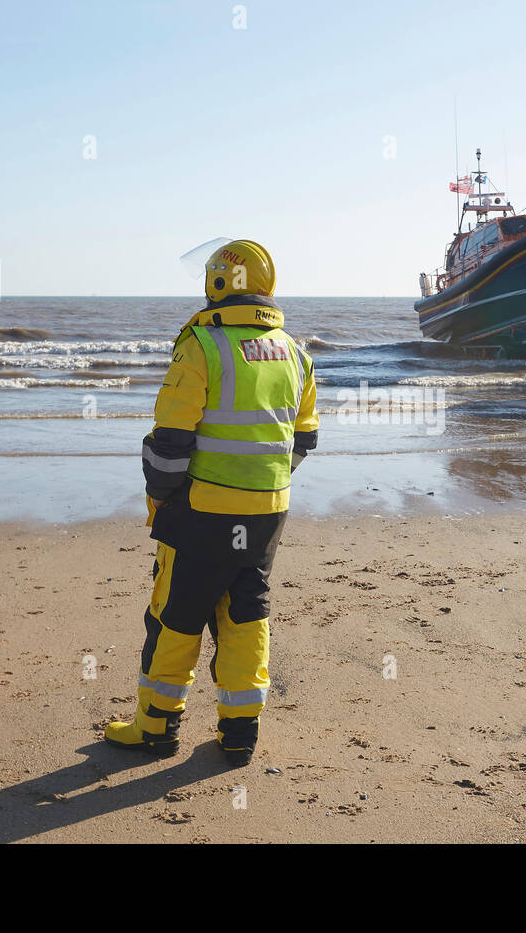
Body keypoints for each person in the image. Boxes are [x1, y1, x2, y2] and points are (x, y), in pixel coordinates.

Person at [105, 239, 319, 766]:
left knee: (176, 616)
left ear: (217, 284)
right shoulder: (295, 351)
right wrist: (261, 481)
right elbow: (303, 440)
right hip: (268, 512)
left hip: (202, 512)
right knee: (247, 615)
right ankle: (239, 732)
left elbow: (171, 443)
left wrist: (160, 500)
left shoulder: (202, 344)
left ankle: (156, 729)